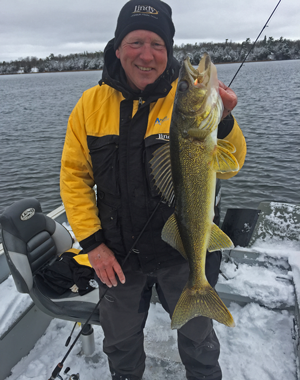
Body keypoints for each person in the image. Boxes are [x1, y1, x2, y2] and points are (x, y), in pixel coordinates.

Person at [60, 1, 247, 379]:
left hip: (181, 255)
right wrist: (94, 246)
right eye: (136, 42)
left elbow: (233, 163)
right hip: (117, 257)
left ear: (168, 52)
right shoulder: (89, 105)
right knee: (121, 344)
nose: (147, 55)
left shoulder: (186, 101)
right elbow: (74, 180)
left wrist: (224, 122)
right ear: (117, 48)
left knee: (199, 341)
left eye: (158, 45)